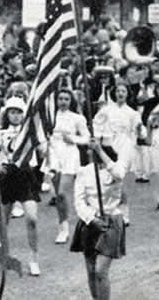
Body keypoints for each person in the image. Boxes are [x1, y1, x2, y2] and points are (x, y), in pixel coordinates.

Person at [70, 138, 126, 300]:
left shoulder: (117, 166)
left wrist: (100, 150)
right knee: (91, 269)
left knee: (101, 271)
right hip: (90, 222)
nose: (88, 153)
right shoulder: (84, 171)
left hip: (111, 222)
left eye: (91, 150)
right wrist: (91, 218)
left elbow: (119, 174)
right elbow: (78, 200)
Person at [0, 97, 41, 276]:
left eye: (19, 112)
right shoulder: (0, 133)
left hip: (25, 175)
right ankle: (4, 256)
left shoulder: (30, 132)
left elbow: (39, 152)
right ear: (7, 114)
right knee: (3, 221)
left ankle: (34, 259)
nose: (15, 116)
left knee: (32, 218)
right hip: (7, 177)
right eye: (12, 112)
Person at [45, 89, 90, 244]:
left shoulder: (77, 118)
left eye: (66, 99)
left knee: (63, 193)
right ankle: (62, 225)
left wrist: (73, 139)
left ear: (71, 101)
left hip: (69, 155)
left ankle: (66, 228)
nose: (63, 101)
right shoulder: (50, 116)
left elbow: (87, 138)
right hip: (53, 154)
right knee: (57, 195)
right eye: (60, 98)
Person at [93, 83, 141, 225]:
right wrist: (97, 141)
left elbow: (139, 131)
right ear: (114, 93)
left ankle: (124, 213)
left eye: (123, 91)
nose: (120, 93)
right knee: (107, 180)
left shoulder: (133, 113)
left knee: (119, 179)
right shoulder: (106, 110)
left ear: (127, 94)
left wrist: (139, 130)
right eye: (118, 91)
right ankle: (107, 210)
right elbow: (96, 124)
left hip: (124, 146)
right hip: (108, 145)